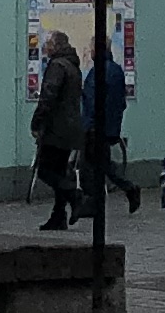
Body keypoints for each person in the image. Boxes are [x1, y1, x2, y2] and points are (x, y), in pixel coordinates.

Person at [31, 30, 84, 230]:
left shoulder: (57, 66)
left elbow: (48, 96)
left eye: (48, 43)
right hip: (71, 127)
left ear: (56, 45)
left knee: (45, 170)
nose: (45, 47)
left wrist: (37, 122)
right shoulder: (73, 66)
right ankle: (58, 216)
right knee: (60, 170)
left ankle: (73, 194)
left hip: (56, 128)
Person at [83, 34, 129, 217]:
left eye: (92, 48)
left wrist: (89, 124)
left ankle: (93, 203)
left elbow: (92, 101)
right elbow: (121, 101)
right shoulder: (116, 70)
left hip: (96, 126)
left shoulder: (98, 71)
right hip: (110, 126)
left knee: (88, 165)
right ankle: (129, 188)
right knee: (103, 164)